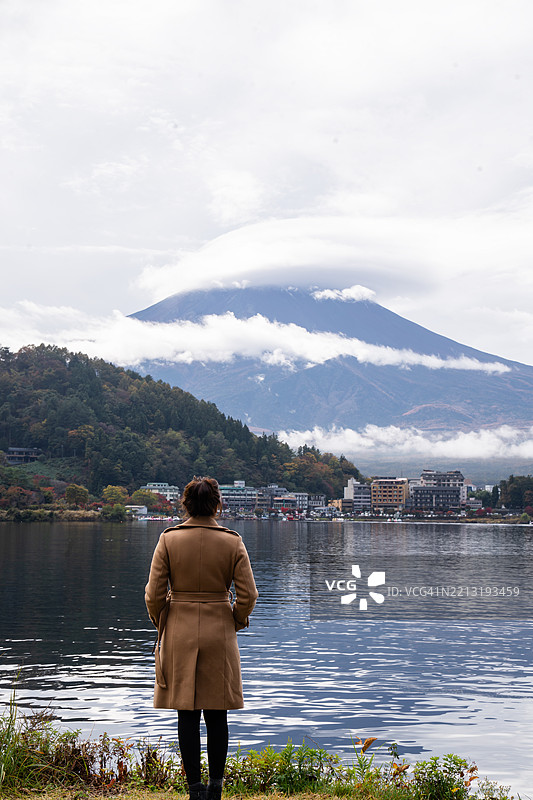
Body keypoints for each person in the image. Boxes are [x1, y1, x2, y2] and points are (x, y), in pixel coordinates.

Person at [145, 476, 258, 800]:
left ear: (185, 503)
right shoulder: (232, 541)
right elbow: (249, 595)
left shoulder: (169, 539)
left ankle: (195, 789)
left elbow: (154, 594)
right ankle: (216, 788)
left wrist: (162, 619)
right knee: (217, 713)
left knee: (187, 712)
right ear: (217, 504)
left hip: (179, 628)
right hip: (219, 631)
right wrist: (234, 620)